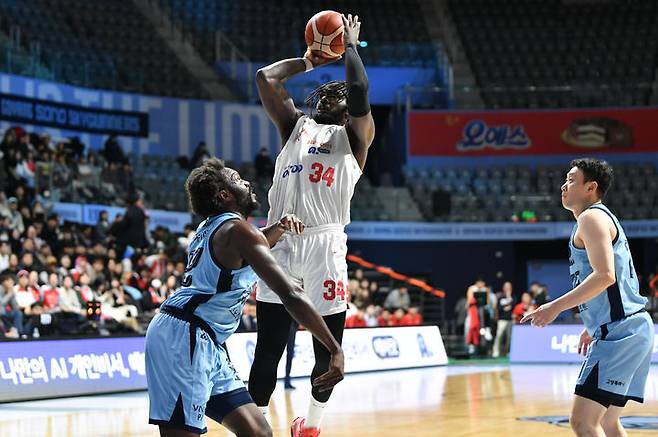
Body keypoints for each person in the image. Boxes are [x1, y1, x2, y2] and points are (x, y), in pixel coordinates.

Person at [145, 158, 344, 437]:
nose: (247, 182)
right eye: (238, 180)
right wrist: (334, 347)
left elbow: (250, 246)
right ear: (224, 195)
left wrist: (280, 227)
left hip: (204, 339)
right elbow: (290, 293)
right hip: (183, 338)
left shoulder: (212, 227)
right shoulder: (239, 231)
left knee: (258, 432)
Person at [247, 13, 374, 437]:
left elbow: (357, 89)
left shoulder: (355, 139)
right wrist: (309, 60)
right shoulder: (293, 129)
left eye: (333, 96)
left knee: (326, 349)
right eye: (321, 95)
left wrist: (349, 46)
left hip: (325, 248)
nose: (325, 97)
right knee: (268, 349)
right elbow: (266, 77)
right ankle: (257, 425)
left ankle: (311, 425)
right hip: (280, 244)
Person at [522, 158, 653, 437]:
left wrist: (554, 307)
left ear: (590, 187)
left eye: (571, 180)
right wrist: (591, 324)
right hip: (631, 327)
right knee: (606, 422)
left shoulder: (591, 217)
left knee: (583, 422)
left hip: (621, 332)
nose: (563, 186)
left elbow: (605, 275)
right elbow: (612, 280)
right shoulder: (601, 217)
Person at [492, 281, 514, 358]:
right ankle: (496, 351)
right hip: (502, 320)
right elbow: (499, 308)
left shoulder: (513, 296)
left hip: (510, 320)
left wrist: (509, 298)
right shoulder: (500, 297)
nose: (508, 288)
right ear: (503, 288)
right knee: (499, 335)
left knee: (510, 337)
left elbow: (513, 306)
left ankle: (508, 351)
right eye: (506, 286)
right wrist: (506, 306)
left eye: (509, 286)